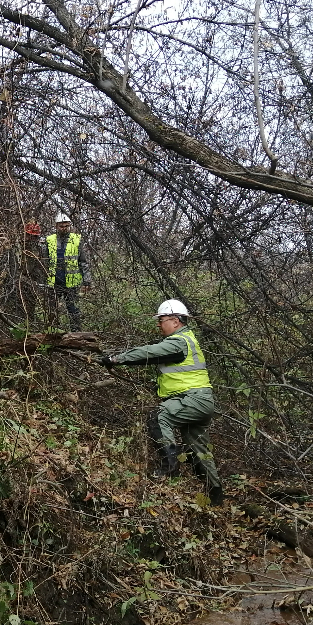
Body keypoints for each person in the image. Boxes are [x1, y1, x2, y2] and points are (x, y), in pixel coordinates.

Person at [100, 299, 222, 505]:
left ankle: (169, 468)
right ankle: (216, 497)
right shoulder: (187, 340)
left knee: (158, 416)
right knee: (199, 450)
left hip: (192, 399)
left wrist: (115, 359)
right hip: (201, 402)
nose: (159, 324)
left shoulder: (179, 342)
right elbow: (152, 358)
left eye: (162, 320)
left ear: (175, 321)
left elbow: (150, 352)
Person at [43, 212, 88, 331]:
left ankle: (76, 333)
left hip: (71, 283)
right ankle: (53, 333)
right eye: (61, 226)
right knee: (52, 309)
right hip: (54, 281)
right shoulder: (49, 240)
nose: (64, 229)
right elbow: (45, 261)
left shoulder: (77, 239)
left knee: (73, 309)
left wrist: (87, 281)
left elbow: (83, 261)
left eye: (66, 226)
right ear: (56, 226)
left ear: (70, 226)